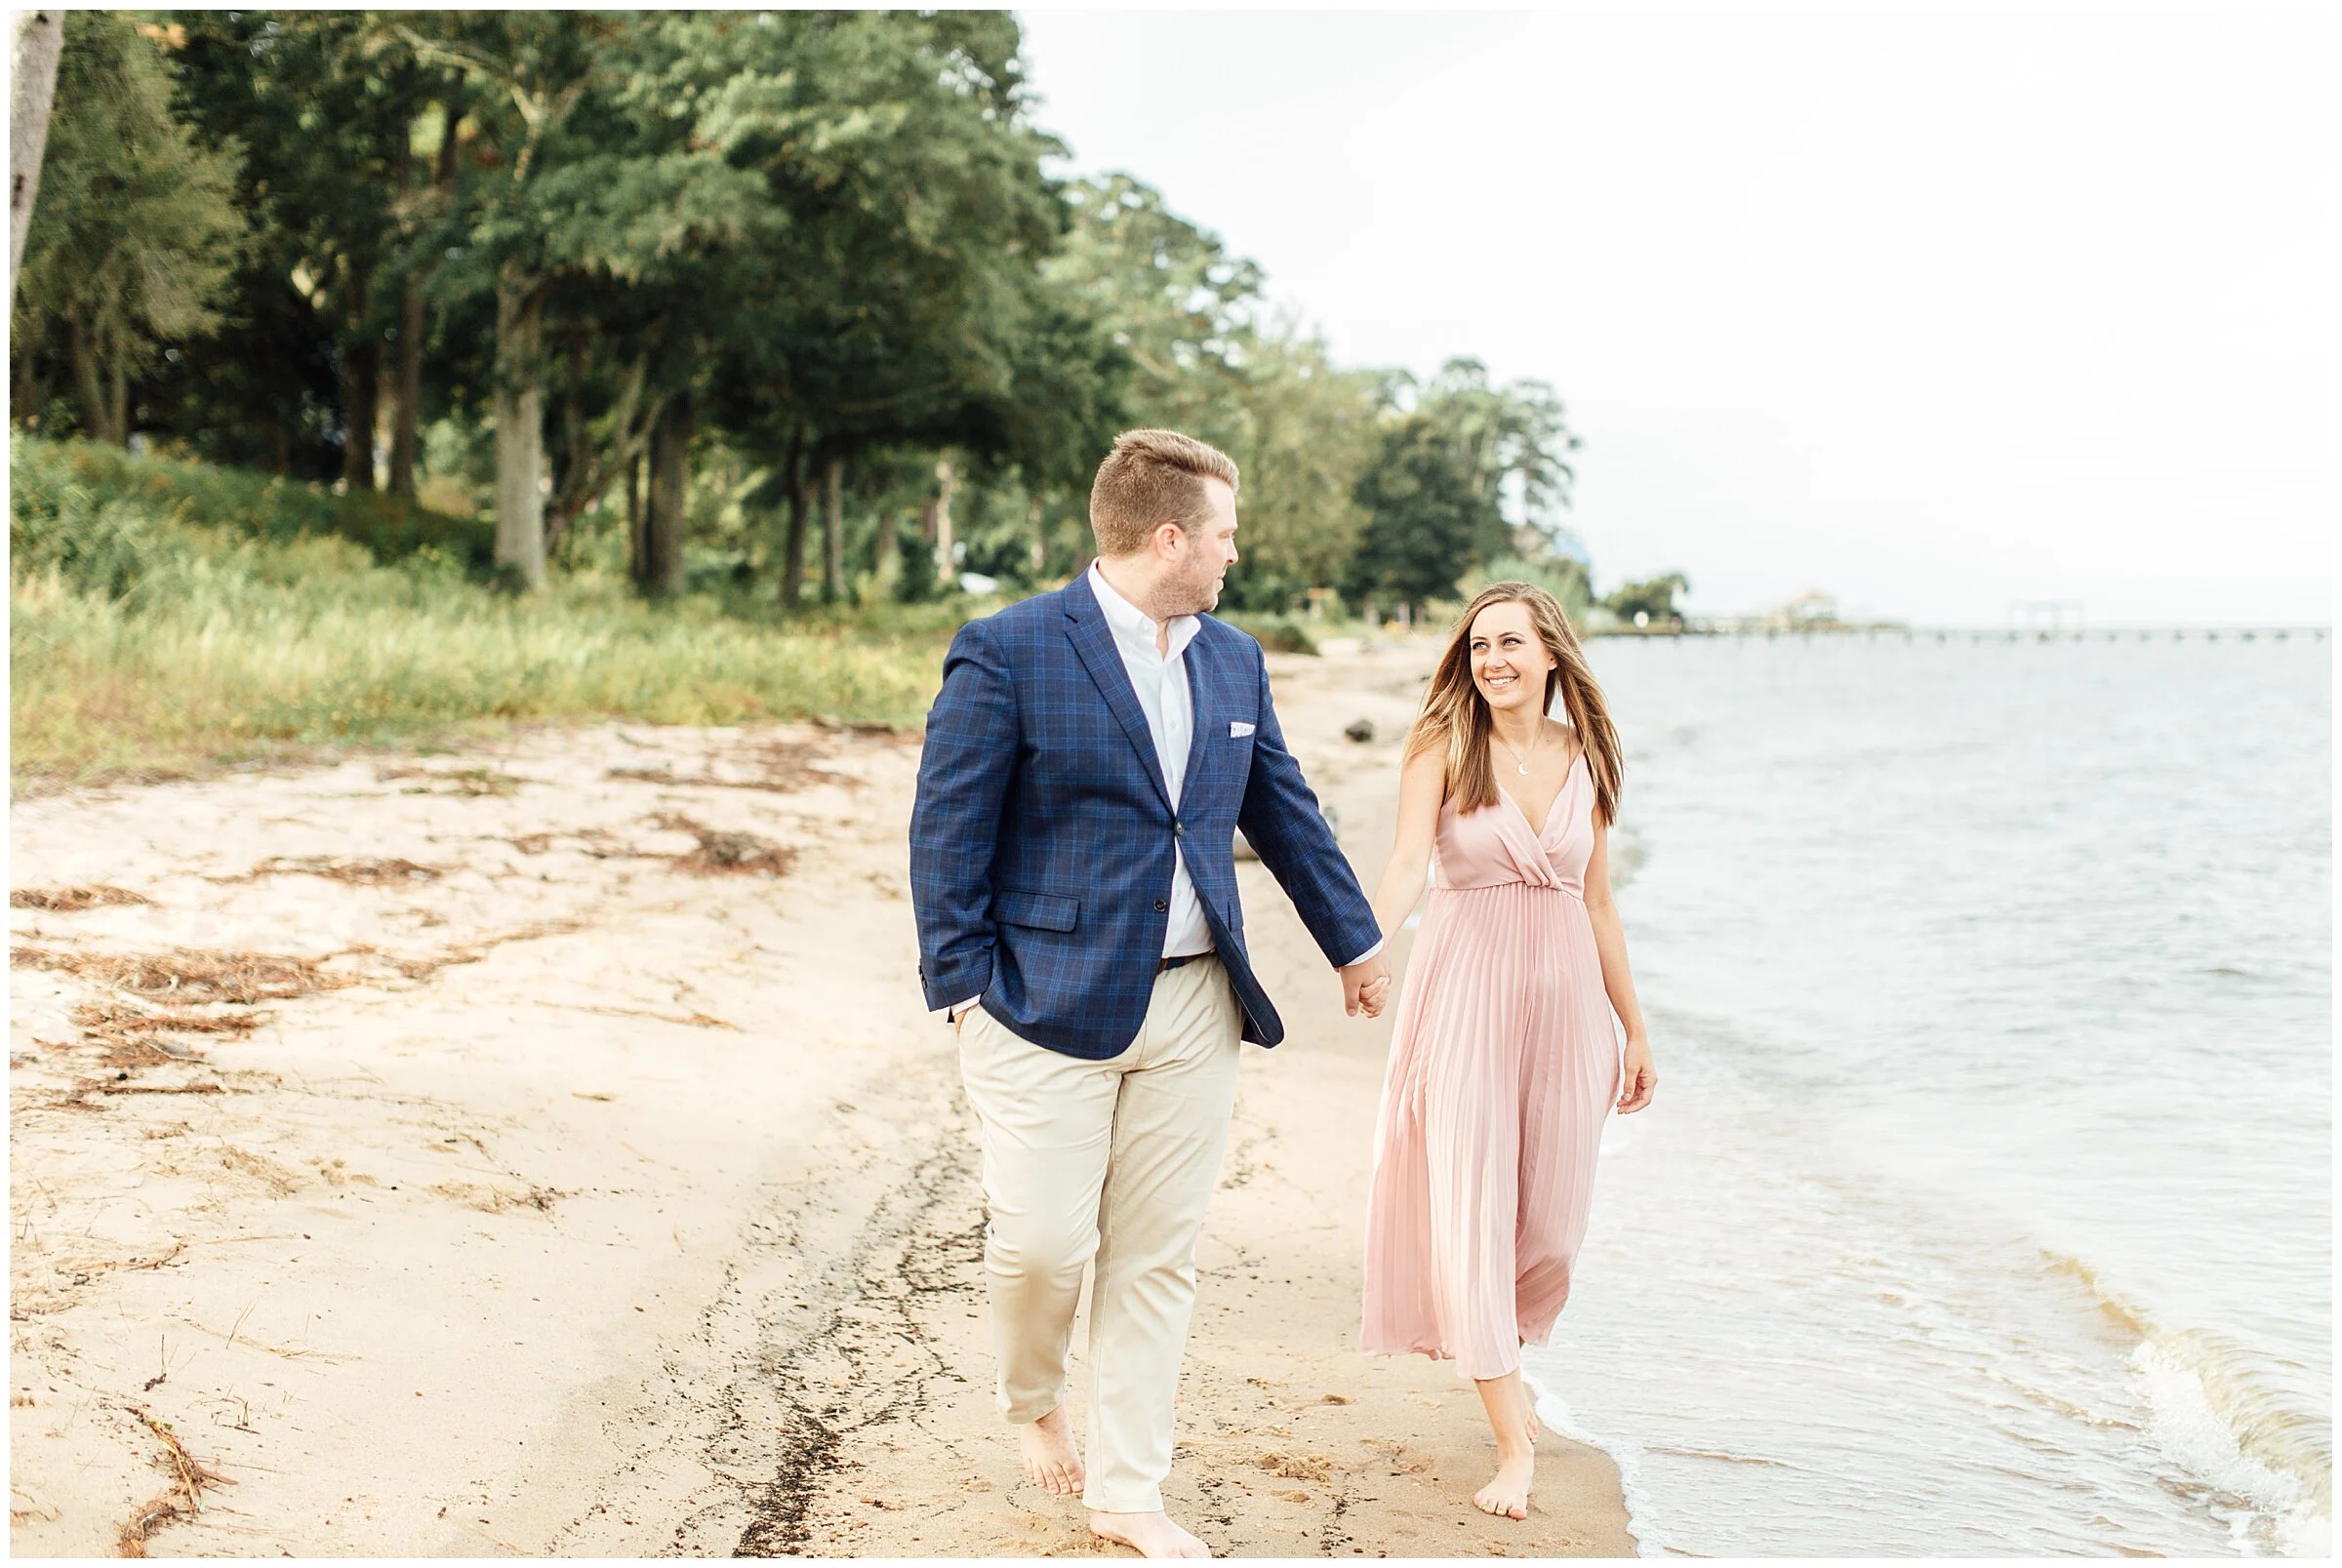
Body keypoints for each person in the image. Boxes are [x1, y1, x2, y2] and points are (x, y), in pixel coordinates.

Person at [909, 428, 1391, 1559]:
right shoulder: (1011, 648)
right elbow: (947, 829)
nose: (1236, 554)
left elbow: (1283, 807)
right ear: (1170, 535)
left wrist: (1352, 942)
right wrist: (963, 988)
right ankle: (1032, 1394)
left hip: (1194, 1004)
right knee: (1039, 1246)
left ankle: (1128, 1490)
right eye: (1225, 533)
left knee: (1155, 1255)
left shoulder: (1235, 659)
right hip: (1038, 1000)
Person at [1358, 582, 1658, 1522]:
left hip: (1568, 1005)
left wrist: (1635, 1027)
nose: (1491, 660)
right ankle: (1512, 1438)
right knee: (1473, 1211)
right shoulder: (1443, 747)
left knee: (1553, 1231)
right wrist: (1364, 948)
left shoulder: (1590, 757)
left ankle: (1504, 1358)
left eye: (1510, 644)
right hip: (1465, 999)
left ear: (1552, 655)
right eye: (1480, 645)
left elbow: (1599, 900)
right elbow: (1409, 863)